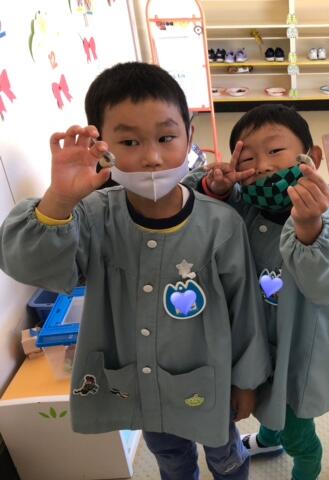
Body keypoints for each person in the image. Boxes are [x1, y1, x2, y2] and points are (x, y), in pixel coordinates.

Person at [0, 62, 271, 480]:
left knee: (226, 457)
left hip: (209, 385)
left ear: (189, 136)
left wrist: (246, 381)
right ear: (101, 147)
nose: (151, 157)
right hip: (141, 389)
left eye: (166, 137)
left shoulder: (221, 224)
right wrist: (59, 199)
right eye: (129, 141)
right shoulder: (91, 216)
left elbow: (245, 311)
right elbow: (28, 265)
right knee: (171, 461)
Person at [183, 104, 329, 480]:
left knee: (296, 427)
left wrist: (309, 226)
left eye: (276, 151)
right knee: (264, 396)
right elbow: (200, 218)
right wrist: (215, 189)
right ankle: (268, 438)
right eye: (248, 158)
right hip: (251, 341)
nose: (263, 165)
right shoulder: (241, 207)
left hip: (299, 350)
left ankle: (305, 468)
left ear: (312, 157)